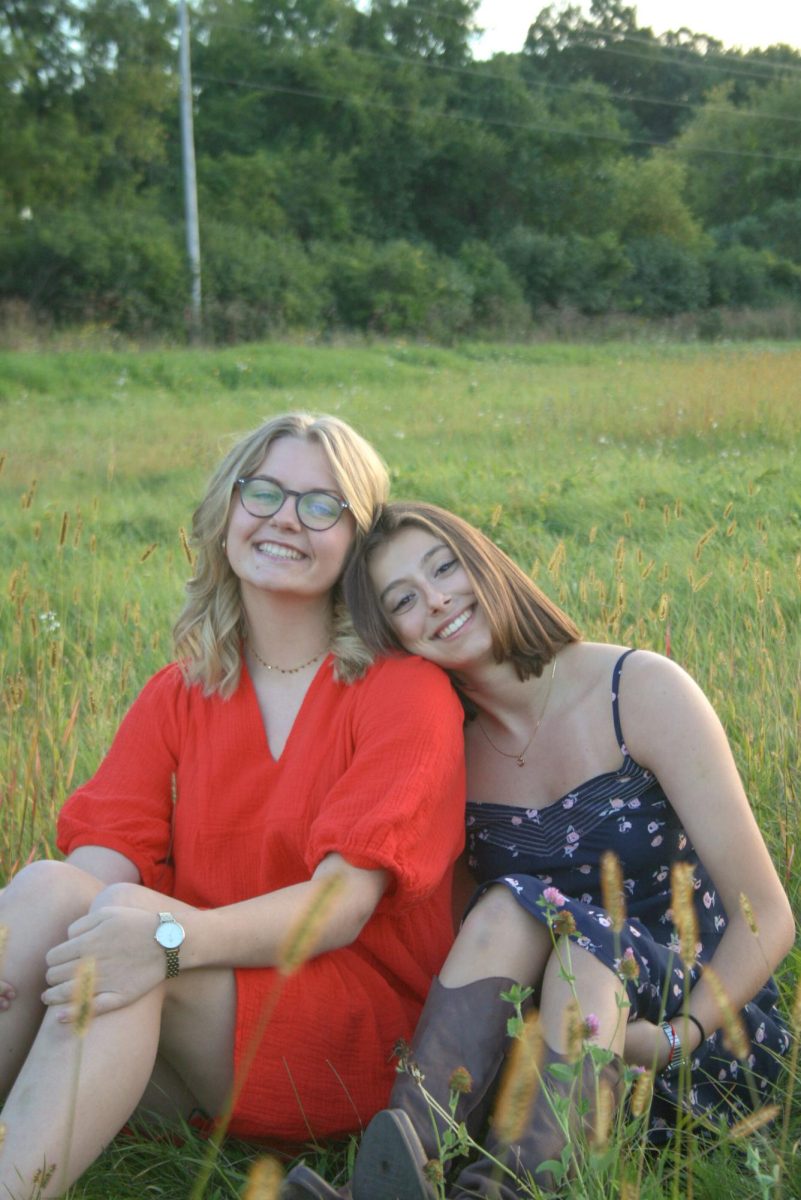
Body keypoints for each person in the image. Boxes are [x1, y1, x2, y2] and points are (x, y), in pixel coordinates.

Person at [0, 421, 467, 1199]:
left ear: (356, 540)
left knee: (134, 941)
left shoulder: (402, 690)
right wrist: (41, 935)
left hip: (347, 1024)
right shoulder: (182, 689)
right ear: (227, 512)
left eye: (321, 505)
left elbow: (338, 907)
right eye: (265, 492)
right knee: (54, 889)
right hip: (200, 995)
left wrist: (165, 942)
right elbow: (107, 848)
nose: (285, 517)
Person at [284, 499, 794, 1200]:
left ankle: (512, 1189)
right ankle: (402, 1167)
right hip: (553, 1068)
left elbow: (765, 912)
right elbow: (469, 943)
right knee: (503, 913)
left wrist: (678, 1035)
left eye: (445, 567)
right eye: (403, 599)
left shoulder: (639, 690)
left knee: (568, 935)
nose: (436, 601)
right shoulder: (448, 754)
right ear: (392, 635)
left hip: (694, 1043)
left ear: (485, 564)